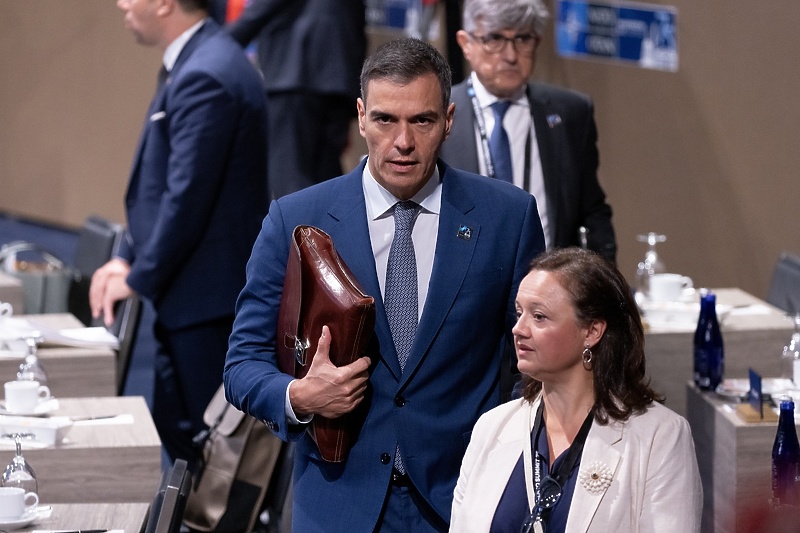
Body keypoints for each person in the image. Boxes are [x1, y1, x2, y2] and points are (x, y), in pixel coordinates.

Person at [223, 38, 546, 532]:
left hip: (461, 503)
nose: (403, 142)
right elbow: (243, 365)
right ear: (360, 116)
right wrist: (300, 396)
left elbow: (539, 362)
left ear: (449, 120)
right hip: (337, 505)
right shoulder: (296, 217)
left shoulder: (508, 217)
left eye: (422, 121)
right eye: (385, 120)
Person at [91, 0, 268, 465]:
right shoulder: (198, 61)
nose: (122, 4)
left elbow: (186, 197)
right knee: (186, 442)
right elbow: (165, 186)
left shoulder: (206, 73)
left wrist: (136, 276)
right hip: (191, 297)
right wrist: (126, 255)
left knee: (215, 458)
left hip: (208, 303)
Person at [451, 247, 702, 532]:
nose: (518, 329)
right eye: (519, 313)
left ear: (592, 331)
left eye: (539, 317)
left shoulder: (661, 437)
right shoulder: (491, 428)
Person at [440, 0, 617, 263]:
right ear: (466, 43)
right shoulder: (438, 114)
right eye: (495, 39)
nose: (510, 55)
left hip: (549, 285)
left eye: (523, 39)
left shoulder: (570, 113)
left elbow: (592, 211)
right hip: (466, 284)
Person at [224, 0, 367, 199]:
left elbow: (262, 9)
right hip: (338, 77)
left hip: (297, 72)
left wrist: (216, 45)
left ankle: (300, 230)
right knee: (326, 183)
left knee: (291, 182)